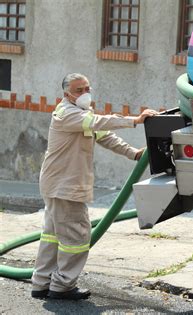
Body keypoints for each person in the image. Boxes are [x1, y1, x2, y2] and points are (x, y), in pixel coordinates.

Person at [31, 73, 157, 300]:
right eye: (79, 90)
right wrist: (135, 120)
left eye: (87, 88)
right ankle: (63, 285)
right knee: (77, 236)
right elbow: (99, 122)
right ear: (66, 94)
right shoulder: (67, 114)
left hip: (58, 183)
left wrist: (133, 153)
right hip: (65, 186)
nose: (84, 94)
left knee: (53, 234)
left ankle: (42, 283)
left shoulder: (80, 115)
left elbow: (105, 136)